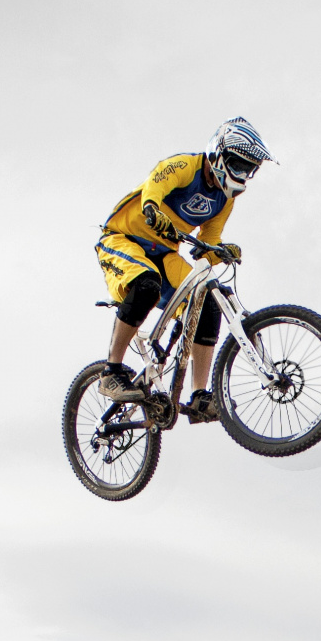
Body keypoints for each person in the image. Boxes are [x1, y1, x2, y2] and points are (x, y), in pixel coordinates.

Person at [93, 117, 275, 422]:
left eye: (248, 169)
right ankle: (111, 371)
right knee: (146, 285)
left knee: (208, 299)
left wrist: (222, 251)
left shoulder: (224, 199)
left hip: (164, 253)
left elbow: (206, 243)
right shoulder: (185, 166)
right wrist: (151, 209)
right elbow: (156, 183)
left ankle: (200, 395)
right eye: (238, 165)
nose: (242, 174)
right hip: (123, 238)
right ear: (219, 154)